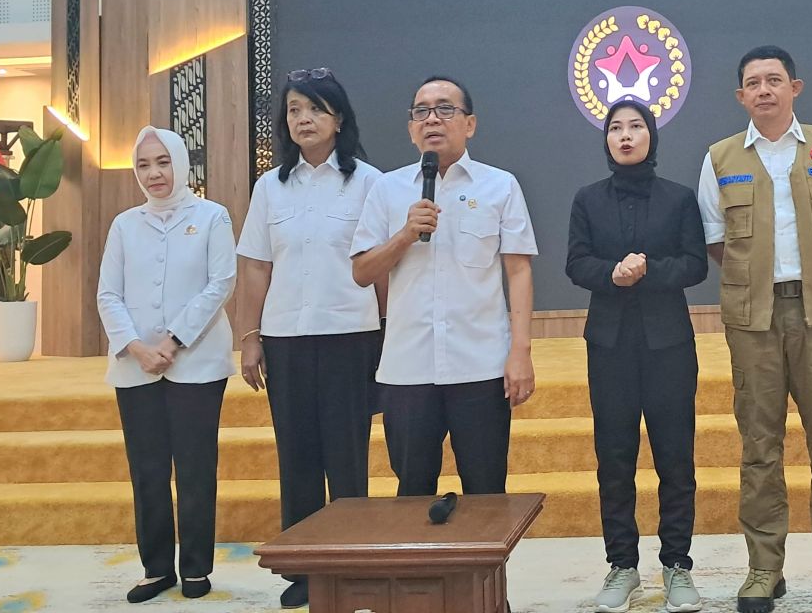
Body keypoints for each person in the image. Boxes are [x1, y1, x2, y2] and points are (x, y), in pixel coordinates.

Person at [697, 46, 812, 613]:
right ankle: (763, 571)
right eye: (754, 83)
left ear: (795, 88)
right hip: (753, 320)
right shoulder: (720, 157)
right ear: (741, 96)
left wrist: (807, 279)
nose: (765, 90)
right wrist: (764, 282)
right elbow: (715, 243)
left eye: (775, 80)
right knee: (759, 447)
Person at [235, 68, 383, 610]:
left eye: (315, 108)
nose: (304, 119)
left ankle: (350, 564)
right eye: (295, 109)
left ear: (338, 118)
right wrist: (250, 338)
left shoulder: (370, 182)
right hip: (286, 339)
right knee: (296, 456)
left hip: (350, 335)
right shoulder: (269, 187)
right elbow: (255, 268)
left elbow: (381, 268)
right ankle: (302, 570)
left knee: (347, 458)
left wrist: (388, 335)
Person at [351, 76, 536, 502]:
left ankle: (486, 573)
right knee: (413, 493)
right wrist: (404, 236)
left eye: (445, 109)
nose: (432, 118)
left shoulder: (500, 185)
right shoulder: (387, 188)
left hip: (481, 366)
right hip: (407, 370)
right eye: (421, 111)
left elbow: (519, 270)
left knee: (487, 494)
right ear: (411, 128)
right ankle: (418, 572)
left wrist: (521, 352)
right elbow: (361, 272)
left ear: (469, 124)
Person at [566, 100, 709, 613]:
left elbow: (695, 265)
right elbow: (576, 263)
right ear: (606, 139)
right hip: (608, 345)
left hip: (669, 342)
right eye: (616, 128)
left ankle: (677, 566)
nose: (625, 136)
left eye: (636, 127)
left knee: (675, 457)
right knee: (615, 458)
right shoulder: (588, 199)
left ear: (651, 135)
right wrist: (612, 275)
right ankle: (622, 565)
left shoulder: (678, 198)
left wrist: (647, 272)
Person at [97, 126, 236, 604]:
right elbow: (108, 294)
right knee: (148, 470)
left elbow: (220, 283)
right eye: (144, 165)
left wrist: (173, 340)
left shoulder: (213, 216)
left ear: (180, 164)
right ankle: (156, 568)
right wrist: (136, 346)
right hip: (135, 365)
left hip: (197, 362)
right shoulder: (124, 224)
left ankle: (196, 568)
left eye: (162, 162)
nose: (154, 173)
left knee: (196, 468)